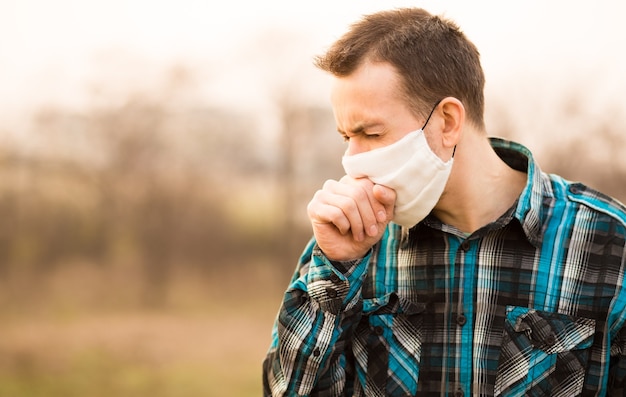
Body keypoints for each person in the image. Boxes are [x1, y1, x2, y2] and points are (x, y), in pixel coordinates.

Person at [262, 7, 626, 396]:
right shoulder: (347, 245)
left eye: (370, 133)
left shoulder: (609, 243)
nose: (352, 160)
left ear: (448, 121)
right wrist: (335, 270)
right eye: (345, 137)